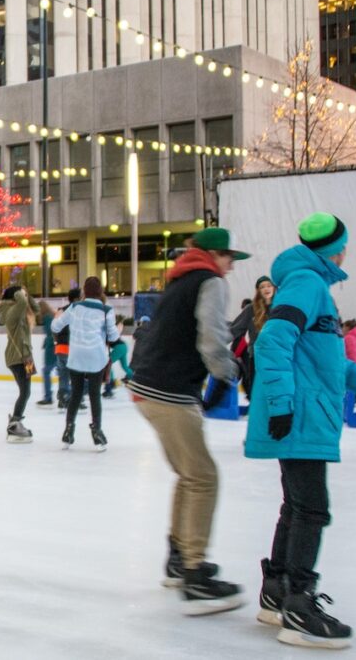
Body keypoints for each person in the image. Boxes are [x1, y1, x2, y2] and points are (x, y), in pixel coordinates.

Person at [245, 213, 356, 650]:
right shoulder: (307, 283)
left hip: (303, 410)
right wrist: (282, 405)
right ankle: (299, 607)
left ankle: (277, 592)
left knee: (297, 507)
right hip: (301, 414)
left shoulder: (307, 284)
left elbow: (326, 359)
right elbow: (273, 340)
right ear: (336, 250)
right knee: (311, 510)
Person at [127, 227, 247, 614]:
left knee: (189, 475)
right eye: (229, 257)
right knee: (203, 478)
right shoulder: (209, 281)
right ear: (215, 254)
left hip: (149, 386)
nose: (231, 266)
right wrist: (228, 372)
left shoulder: (179, 278)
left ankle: (180, 558)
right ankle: (194, 574)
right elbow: (212, 336)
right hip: (170, 391)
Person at [52, 276, 120, 451]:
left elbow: (55, 327)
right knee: (94, 395)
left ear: (84, 290)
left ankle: (68, 432)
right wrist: (118, 330)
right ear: (100, 291)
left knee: (76, 394)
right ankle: (97, 433)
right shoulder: (106, 310)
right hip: (96, 357)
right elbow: (113, 337)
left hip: (76, 356)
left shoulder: (75, 307)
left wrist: (57, 317)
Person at [0, 285, 40, 443]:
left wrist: (27, 294)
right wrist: (20, 293)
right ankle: (14, 423)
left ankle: (15, 421)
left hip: (26, 357)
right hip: (17, 358)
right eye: (21, 294)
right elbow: (22, 303)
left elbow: (36, 309)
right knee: (25, 392)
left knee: (26, 392)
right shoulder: (10, 311)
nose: (24, 296)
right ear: (15, 295)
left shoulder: (18, 310)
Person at [229, 276, 276, 402]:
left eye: (269, 286)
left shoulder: (280, 308)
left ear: (274, 288)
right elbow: (235, 329)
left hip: (277, 356)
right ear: (258, 291)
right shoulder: (251, 309)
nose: (266, 289)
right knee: (256, 393)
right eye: (262, 287)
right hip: (256, 357)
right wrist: (216, 341)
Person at [54, 289, 81, 411]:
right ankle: (73, 400)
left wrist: (57, 341)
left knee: (63, 375)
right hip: (72, 348)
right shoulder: (78, 311)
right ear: (77, 298)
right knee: (75, 376)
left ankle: (62, 399)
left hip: (60, 348)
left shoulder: (61, 311)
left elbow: (55, 329)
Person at [103, 317, 133, 398]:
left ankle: (110, 385)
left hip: (119, 347)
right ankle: (133, 379)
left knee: (108, 364)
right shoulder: (109, 331)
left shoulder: (106, 333)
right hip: (124, 346)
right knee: (124, 366)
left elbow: (105, 344)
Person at [36, 300, 58, 407]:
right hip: (55, 347)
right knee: (61, 372)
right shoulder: (51, 316)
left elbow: (51, 333)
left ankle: (48, 397)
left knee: (46, 371)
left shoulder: (47, 318)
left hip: (52, 349)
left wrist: (48, 343)